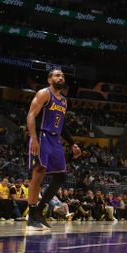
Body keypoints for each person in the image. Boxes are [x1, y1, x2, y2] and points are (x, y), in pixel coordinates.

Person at [25, 69, 82, 232]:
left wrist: (72, 143)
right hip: (42, 136)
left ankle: (39, 212)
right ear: (49, 79)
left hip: (55, 139)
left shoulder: (64, 101)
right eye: (57, 75)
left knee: (61, 177)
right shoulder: (44, 93)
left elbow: (62, 125)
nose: (61, 77)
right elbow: (30, 115)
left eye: (63, 76)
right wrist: (34, 138)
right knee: (38, 173)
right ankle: (31, 218)